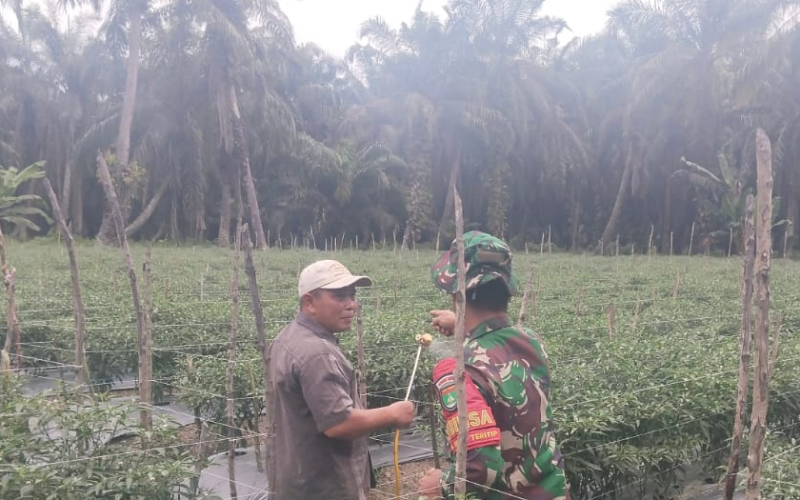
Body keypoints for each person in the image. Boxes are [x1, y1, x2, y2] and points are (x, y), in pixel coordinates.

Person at [418, 231, 570, 500]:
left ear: (457, 295)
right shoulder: (531, 341)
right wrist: (462, 323)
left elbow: (478, 468)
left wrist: (440, 484)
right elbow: (496, 345)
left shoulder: (457, 371)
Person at [270, 259, 416, 500]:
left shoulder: (287, 337)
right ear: (309, 302)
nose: (351, 305)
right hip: (326, 487)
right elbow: (339, 424)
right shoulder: (317, 353)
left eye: (352, 295)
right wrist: (393, 414)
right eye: (339, 296)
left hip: (299, 481)